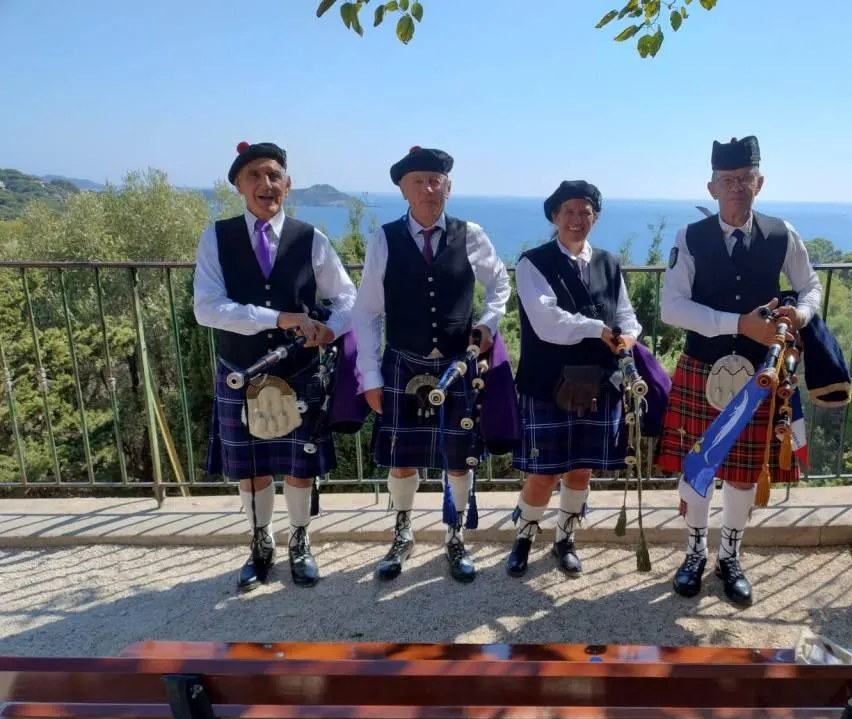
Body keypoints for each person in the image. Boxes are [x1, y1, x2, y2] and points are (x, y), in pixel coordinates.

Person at [656, 135, 823, 605]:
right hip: (702, 367)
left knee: (745, 473)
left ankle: (729, 556)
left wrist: (800, 314)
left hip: (759, 373)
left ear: (759, 183)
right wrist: (738, 324)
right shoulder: (689, 238)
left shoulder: (782, 234)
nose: (736, 187)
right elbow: (672, 307)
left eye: (745, 179)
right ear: (711, 188)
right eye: (727, 180)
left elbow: (810, 286)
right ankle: (694, 554)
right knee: (698, 466)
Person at [194, 140, 357, 592]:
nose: (265, 184)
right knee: (252, 468)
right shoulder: (216, 237)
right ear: (238, 186)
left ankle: (300, 541)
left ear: (288, 184)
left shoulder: (311, 238)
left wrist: (331, 330)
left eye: (274, 176)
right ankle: (260, 541)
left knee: (300, 466)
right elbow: (207, 308)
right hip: (241, 370)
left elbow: (347, 297)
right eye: (254, 176)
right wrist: (278, 318)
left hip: (300, 370)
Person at [352, 145, 511, 584]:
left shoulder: (471, 234)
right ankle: (402, 533)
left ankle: (455, 536)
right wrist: (370, 375)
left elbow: (499, 283)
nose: (428, 189)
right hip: (402, 364)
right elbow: (367, 312)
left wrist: (488, 322)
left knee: (458, 460)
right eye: (418, 182)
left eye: (435, 181)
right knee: (401, 460)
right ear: (404, 190)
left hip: (458, 366)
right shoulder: (383, 239)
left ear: (448, 187)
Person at [505, 180, 643, 578]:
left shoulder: (609, 263)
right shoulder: (532, 263)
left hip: (599, 382)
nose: (577, 219)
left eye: (586, 212)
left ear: (595, 218)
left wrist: (630, 335)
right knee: (543, 473)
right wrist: (598, 329)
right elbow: (547, 322)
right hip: (547, 383)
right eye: (569, 211)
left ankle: (565, 539)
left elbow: (626, 313)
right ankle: (524, 537)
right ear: (554, 216)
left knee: (582, 469)